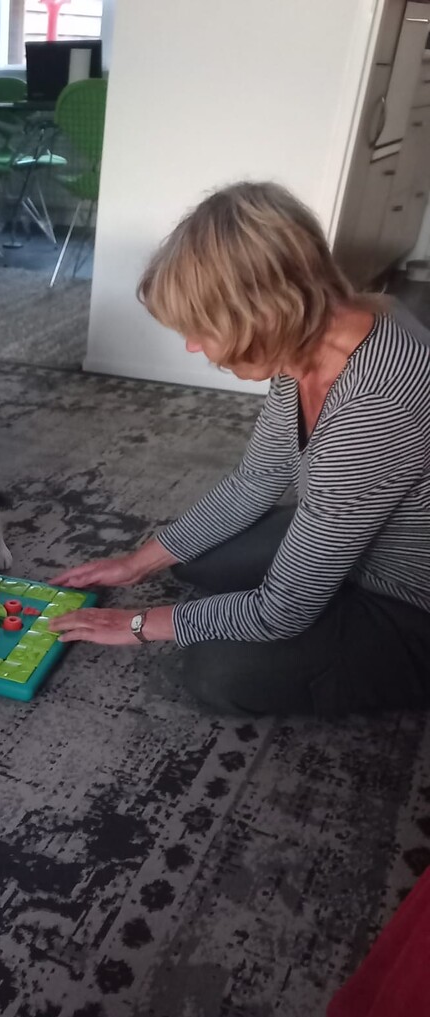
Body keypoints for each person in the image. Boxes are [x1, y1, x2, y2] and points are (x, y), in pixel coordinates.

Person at [49, 180, 430, 717]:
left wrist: (137, 623)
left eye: (203, 328)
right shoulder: (307, 339)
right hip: (364, 541)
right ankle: (326, 581)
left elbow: (282, 611)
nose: (193, 346)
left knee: (217, 670)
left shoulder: (376, 404)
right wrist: (136, 564)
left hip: (409, 599)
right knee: (194, 562)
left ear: (266, 310)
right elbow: (257, 478)